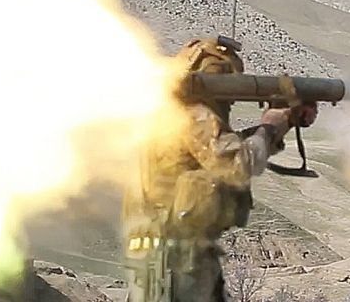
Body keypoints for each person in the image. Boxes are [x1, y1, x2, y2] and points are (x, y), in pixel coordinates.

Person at [122, 36, 317, 302]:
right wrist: (271, 124)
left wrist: (280, 124)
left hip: (173, 254)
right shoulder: (193, 115)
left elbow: (223, 151)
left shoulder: (171, 115)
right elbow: (238, 165)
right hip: (178, 258)